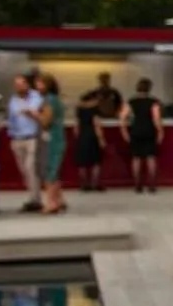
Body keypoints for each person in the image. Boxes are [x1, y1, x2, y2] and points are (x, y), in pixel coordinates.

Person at [6, 73, 45, 212]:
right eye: (16, 84)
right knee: (24, 170)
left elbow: (34, 111)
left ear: (27, 84)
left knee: (30, 168)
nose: (19, 87)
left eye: (21, 84)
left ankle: (35, 200)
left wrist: (28, 111)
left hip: (32, 138)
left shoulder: (36, 96)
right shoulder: (13, 100)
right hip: (17, 138)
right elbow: (12, 117)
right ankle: (33, 197)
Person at [122, 78, 163, 193]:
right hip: (149, 131)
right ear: (149, 89)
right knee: (151, 157)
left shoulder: (131, 102)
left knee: (136, 158)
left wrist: (124, 132)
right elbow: (156, 118)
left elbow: (123, 117)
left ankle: (137, 184)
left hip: (135, 131)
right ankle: (152, 184)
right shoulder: (153, 102)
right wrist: (160, 132)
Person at [37, 73, 69, 215]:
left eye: (40, 83)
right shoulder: (57, 99)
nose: (37, 86)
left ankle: (51, 203)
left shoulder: (48, 100)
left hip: (52, 139)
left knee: (49, 170)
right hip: (59, 137)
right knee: (55, 170)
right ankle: (59, 200)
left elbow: (46, 121)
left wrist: (34, 114)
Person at [73, 73, 108, 193]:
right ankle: (94, 183)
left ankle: (84, 184)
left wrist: (78, 137)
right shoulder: (94, 109)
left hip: (82, 136)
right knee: (95, 161)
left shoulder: (79, 109)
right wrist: (101, 139)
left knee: (82, 162)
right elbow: (96, 124)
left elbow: (76, 126)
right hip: (92, 136)